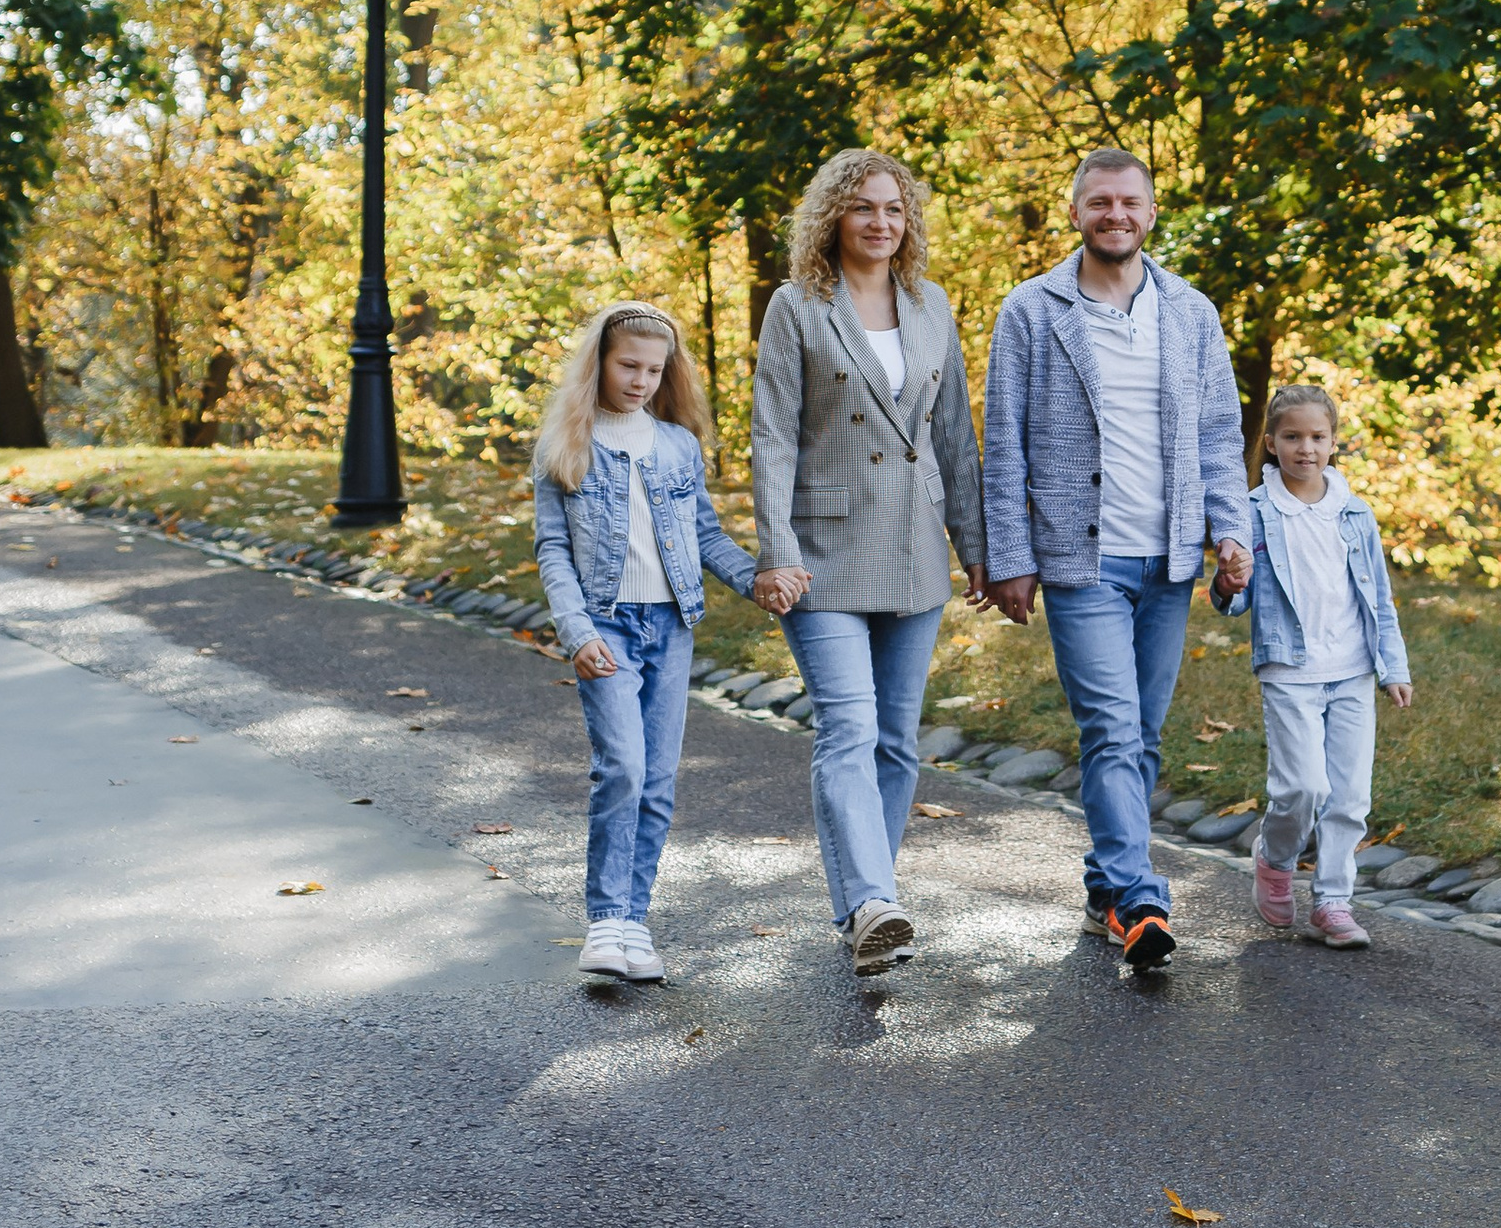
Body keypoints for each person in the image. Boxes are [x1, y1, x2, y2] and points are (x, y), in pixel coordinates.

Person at [981, 147, 1249, 969]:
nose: (1115, 215)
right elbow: (1004, 445)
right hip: (1079, 561)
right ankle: (1141, 901)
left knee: (1144, 732)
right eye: (1099, 202)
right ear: (1076, 213)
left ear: (1151, 212)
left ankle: (1106, 884)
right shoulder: (1032, 310)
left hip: (1167, 559)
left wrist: (1230, 530)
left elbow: (1218, 435)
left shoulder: (1191, 313)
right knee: (1110, 728)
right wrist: (1009, 557)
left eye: (1129, 202)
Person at [751, 149, 987, 977]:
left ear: (908, 220)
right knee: (847, 730)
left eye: (893, 208)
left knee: (896, 741)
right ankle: (873, 903)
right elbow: (773, 435)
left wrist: (978, 549)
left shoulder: (931, 307)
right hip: (822, 554)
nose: (880, 222)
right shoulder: (797, 307)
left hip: (916, 549)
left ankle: (864, 909)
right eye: (862, 209)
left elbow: (954, 434)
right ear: (833, 220)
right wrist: (775, 551)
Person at [533, 299, 795, 982]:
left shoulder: (677, 445)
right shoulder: (566, 446)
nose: (641, 380)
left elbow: (705, 534)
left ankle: (634, 925)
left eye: (654, 369)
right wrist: (576, 631)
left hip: (670, 627)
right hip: (607, 625)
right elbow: (552, 551)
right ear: (600, 363)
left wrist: (756, 580)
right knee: (620, 767)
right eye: (629, 366)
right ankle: (604, 921)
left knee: (657, 780)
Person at [1225, 381, 1412, 948]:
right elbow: (1233, 599)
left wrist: (1393, 667)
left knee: (1350, 796)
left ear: (1334, 443)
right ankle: (1275, 858)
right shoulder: (1254, 511)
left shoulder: (1354, 513)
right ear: (1272, 443)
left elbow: (1378, 597)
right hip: (1289, 668)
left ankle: (1333, 901)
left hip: (1353, 669)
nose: (1306, 448)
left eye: (1317, 437)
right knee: (1302, 788)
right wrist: (1229, 579)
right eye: (1292, 437)